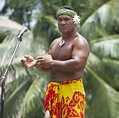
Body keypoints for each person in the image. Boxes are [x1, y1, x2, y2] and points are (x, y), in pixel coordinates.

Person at [21, 6, 90, 118]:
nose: (63, 22)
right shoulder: (55, 43)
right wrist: (35, 63)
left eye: (67, 19)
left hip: (71, 91)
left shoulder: (79, 42)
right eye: (60, 19)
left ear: (75, 21)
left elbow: (77, 64)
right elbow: (48, 66)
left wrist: (52, 63)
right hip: (53, 91)